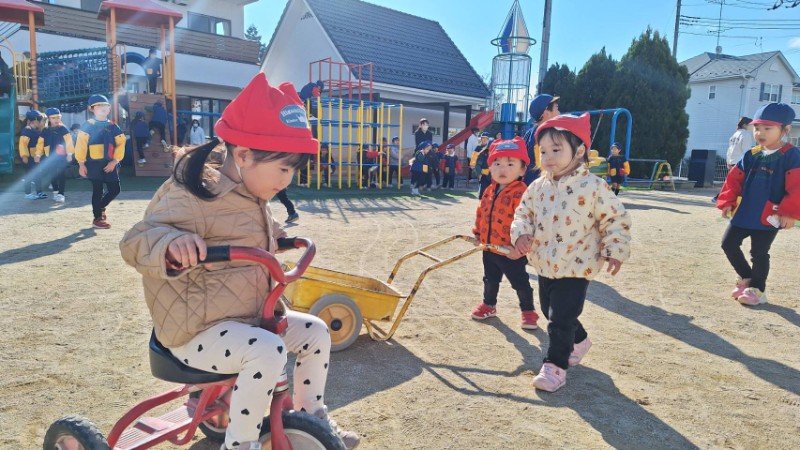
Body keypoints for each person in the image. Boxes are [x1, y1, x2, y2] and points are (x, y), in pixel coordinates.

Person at [119, 73, 358, 450]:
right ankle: (240, 444)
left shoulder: (251, 193)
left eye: (293, 169)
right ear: (244, 155)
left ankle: (312, 418)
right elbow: (135, 241)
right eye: (284, 168)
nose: (288, 179)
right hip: (196, 331)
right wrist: (171, 244)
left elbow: (244, 226)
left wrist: (275, 236)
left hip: (245, 319)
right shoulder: (193, 193)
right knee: (266, 350)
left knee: (315, 332)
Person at [512, 113, 631, 392]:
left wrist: (615, 248)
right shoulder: (538, 187)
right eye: (543, 151)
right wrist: (521, 233)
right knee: (549, 310)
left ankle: (555, 367)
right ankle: (580, 340)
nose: (548, 157)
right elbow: (523, 213)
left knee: (560, 318)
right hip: (545, 262)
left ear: (579, 151)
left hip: (578, 264)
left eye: (556, 150)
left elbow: (615, 218)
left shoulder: (594, 187)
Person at [717, 102, 800, 306]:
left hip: (770, 215)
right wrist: (727, 201)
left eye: (767, 128)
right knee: (728, 243)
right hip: (745, 212)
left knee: (759, 253)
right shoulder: (751, 154)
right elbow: (734, 179)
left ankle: (758, 290)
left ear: (785, 130)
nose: (760, 133)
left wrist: (790, 213)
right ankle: (747, 278)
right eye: (757, 128)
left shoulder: (792, 155)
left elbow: (797, 186)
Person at [471, 137, 540, 329]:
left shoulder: (522, 193)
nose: (503, 169)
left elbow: (529, 223)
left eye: (510, 164)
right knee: (490, 279)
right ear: (490, 167)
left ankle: (529, 311)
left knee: (520, 282)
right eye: (497, 164)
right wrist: (478, 234)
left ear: (523, 169)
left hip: (511, 251)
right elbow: (482, 213)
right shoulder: (489, 190)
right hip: (489, 247)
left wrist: (521, 248)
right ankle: (489, 305)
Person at [75, 94, 126, 229]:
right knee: (97, 190)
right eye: (98, 106)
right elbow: (80, 146)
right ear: (91, 109)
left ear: (109, 108)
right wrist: (81, 164)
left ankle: (101, 206)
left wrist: (114, 161)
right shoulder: (87, 125)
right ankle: (97, 218)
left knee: (115, 189)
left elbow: (121, 144)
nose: (103, 108)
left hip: (110, 163)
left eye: (105, 105)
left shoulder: (113, 126)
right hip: (93, 164)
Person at [713, 117, 754, 203]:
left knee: (731, 181)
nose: (753, 127)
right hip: (741, 163)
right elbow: (747, 152)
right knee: (739, 183)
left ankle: (719, 197)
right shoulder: (746, 135)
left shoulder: (734, 135)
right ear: (745, 125)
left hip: (732, 162)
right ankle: (723, 198)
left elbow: (730, 150)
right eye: (751, 125)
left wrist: (728, 161)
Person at [521, 94, 560, 185]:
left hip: (529, 183)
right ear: (547, 113)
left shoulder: (530, 132)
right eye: (556, 109)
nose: (559, 113)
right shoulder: (546, 135)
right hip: (541, 185)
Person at [42, 108, 74, 203]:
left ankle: (61, 193)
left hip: (61, 157)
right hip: (49, 157)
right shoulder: (45, 130)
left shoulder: (63, 129)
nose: (57, 120)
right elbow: (40, 143)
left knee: (61, 174)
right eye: (54, 118)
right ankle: (55, 191)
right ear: (48, 119)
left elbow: (69, 142)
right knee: (52, 175)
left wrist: (69, 154)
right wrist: (38, 154)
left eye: (58, 117)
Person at [19, 110, 46, 199]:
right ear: (34, 121)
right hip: (29, 158)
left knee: (38, 175)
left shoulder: (36, 130)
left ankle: (39, 192)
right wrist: (24, 156)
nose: (41, 123)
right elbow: (22, 145)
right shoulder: (26, 131)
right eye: (40, 121)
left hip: (35, 157)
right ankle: (28, 194)